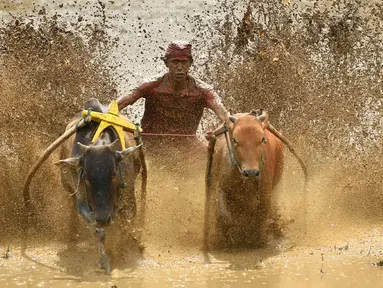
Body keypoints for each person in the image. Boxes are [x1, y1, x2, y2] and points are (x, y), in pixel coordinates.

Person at [116, 40, 230, 136]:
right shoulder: (151, 86)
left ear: (190, 63)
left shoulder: (203, 91)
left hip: (188, 146)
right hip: (149, 143)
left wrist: (231, 124)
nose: (179, 67)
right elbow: (120, 103)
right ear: (166, 63)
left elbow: (223, 114)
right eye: (175, 62)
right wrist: (108, 113)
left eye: (184, 62)